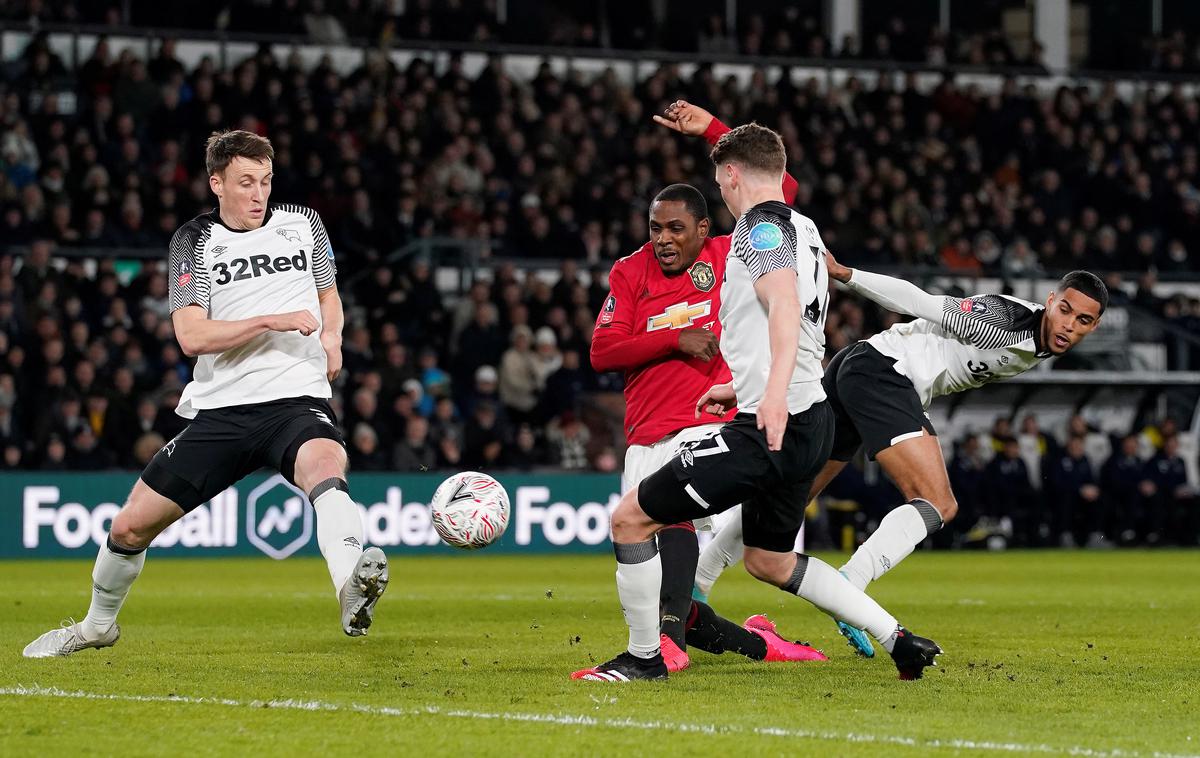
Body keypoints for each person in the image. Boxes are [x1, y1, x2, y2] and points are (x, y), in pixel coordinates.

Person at [579, 123, 941, 682]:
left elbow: (782, 303)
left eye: (719, 182)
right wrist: (745, 385)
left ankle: (645, 657)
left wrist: (769, 396)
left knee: (631, 519)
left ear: (731, 175)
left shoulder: (756, 229)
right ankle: (898, 638)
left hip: (774, 424)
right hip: (811, 417)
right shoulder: (805, 227)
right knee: (769, 561)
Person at [23, 130, 388, 659]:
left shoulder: (303, 225)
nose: (259, 194)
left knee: (326, 465)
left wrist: (332, 336)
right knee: (128, 527)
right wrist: (269, 319)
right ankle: (97, 626)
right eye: (245, 182)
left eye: (265, 181)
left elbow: (329, 296)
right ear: (216, 183)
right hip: (222, 412)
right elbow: (191, 335)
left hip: (295, 399)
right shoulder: (192, 242)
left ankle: (350, 584)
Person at [695, 252, 1107, 656]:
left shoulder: (1042, 341)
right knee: (939, 503)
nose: (1068, 325)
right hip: (885, 372)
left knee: (791, 497)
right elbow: (919, 302)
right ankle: (851, 582)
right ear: (1050, 300)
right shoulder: (1004, 321)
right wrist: (848, 273)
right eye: (1065, 310)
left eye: (1083, 321)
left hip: (857, 371)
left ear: (1095, 326)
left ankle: (697, 582)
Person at [575, 103, 821, 678]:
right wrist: (672, 339)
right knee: (674, 590)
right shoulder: (629, 272)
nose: (662, 240)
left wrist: (714, 132)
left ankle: (657, 650)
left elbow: (777, 186)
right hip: (646, 435)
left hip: (713, 424)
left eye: (674, 228)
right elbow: (603, 352)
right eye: (655, 228)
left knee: (698, 540)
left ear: (705, 229)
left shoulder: (733, 250)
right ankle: (752, 643)